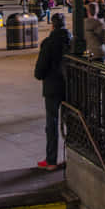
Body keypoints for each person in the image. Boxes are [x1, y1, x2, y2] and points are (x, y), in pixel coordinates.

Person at [34, 13, 72, 171]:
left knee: (52, 123)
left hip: (52, 87)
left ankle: (51, 160)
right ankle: (71, 157)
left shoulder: (48, 43)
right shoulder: (72, 41)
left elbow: (40, 70)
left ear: (52, 25)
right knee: (71, 122)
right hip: (69, 86)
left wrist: (40, 74)